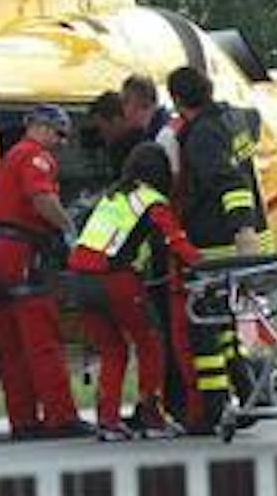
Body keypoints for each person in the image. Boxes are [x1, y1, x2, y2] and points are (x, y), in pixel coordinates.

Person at [0, 104, 93, 440]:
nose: (61, 142)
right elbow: (41, 199)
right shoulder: (34, 156)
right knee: (43, 340)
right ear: (42, 128)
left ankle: (23, 421)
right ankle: (61, 417)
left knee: (13, 346)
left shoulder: (10, 158)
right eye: (59, 134)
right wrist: (70, 230)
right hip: (18, 253)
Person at [68, 142, 200, 441]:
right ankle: (152, 417)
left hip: (78, 279)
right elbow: (176, 243)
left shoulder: (113, 196)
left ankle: (108, 421)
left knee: (112, 349)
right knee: (150, 342)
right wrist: (206, 263)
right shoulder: (151, 200)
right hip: (113, 278)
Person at [168, 66, 273, 432]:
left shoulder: (202, 136)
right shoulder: (234, 119)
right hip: (248, 236)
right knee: (226, 325)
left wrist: (241, 230)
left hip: (220, 242)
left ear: (179, 100)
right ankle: (249, 392)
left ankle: (212, 411)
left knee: (205, 330)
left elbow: (229, 182)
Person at [120, 75, 181, 176]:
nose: (123, 111)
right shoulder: (161, 127)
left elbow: (171, 181)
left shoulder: (163, 136)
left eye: (125, 102)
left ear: (136, 103)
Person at [88, 91, 141, 178]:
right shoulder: (119, 149)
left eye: (101, 128)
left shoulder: (135, 152)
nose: (101, 135)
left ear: (117, 121)